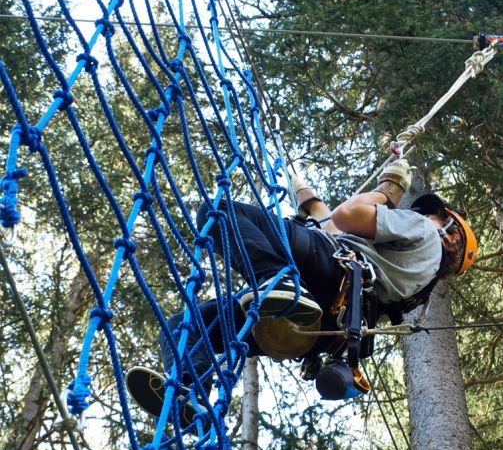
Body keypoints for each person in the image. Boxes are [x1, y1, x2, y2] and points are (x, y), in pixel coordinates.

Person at [125, 159, 478, 418]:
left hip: (323, 274)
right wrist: (306, 195)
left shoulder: (424, 233)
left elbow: (347, 216)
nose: (421, 215)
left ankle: (277, 282)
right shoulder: (412, 285)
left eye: (432, 215)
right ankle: (191, 390)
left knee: (218, 211)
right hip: (324, 325)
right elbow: (330, 224)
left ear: (450, 232)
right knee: (186, 326)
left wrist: (389, 190)